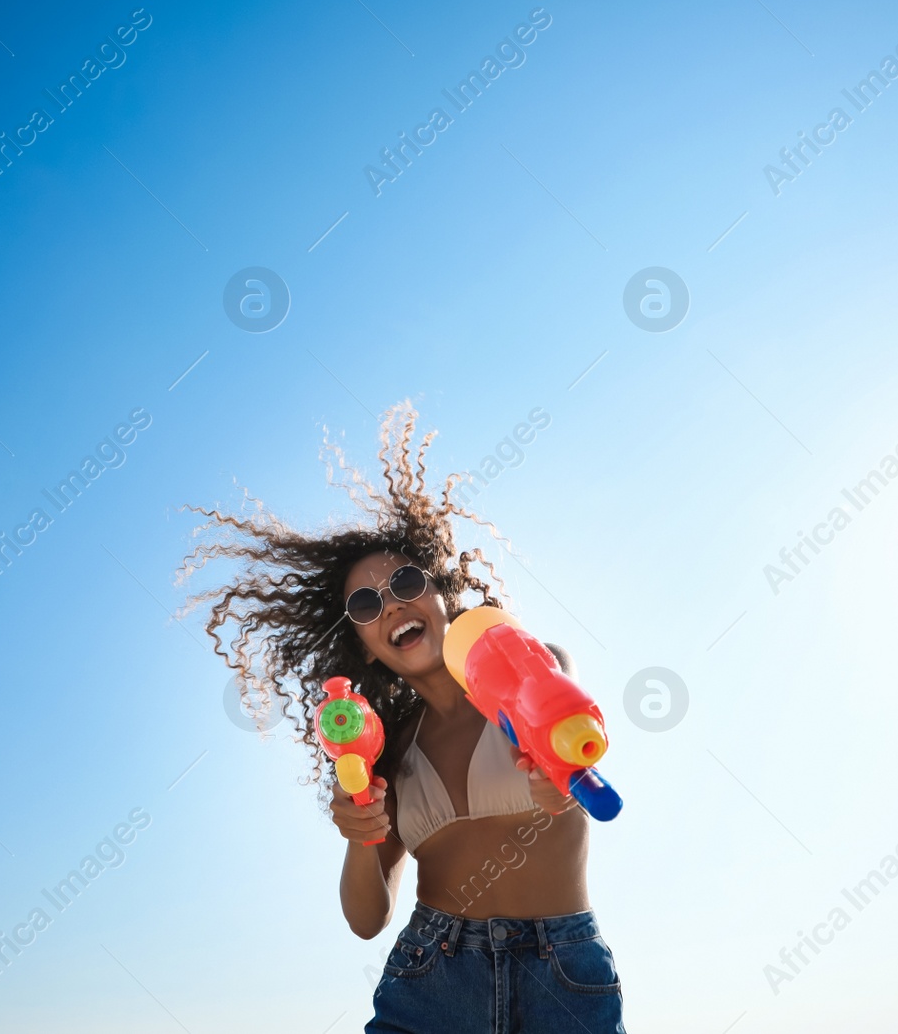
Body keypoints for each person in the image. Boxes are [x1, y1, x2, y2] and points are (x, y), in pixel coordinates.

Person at [180, 403, 625, 1033]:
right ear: (361, 644)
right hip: (431, 980)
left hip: (562, 976)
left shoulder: (531, 664)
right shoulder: (386, 750)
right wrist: (359, 834)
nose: (391, 605)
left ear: (442, 589)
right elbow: (366, 919)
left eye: (406, 581)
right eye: (366, 604)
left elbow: (569, 729)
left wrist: (562, 779)